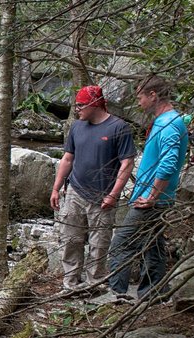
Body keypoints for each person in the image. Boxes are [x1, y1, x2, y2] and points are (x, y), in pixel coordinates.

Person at [108, 75, 189, 300]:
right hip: (153, 197)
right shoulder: (168, 121)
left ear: (153, 95)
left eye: (140, 97)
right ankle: (154, 293)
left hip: (151, 200)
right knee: (152, 245)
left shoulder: (170, 124)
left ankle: (117, 295)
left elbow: (169, 163)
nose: (138, 102)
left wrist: (152, 196)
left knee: (120, 245)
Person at [50, 85, 136, 293]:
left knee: (99, 245)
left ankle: (93, 285)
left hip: (102, 196)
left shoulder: (118, 128)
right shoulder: (77, 127)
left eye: (80, 105)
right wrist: (56, 188)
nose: (76, 109)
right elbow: (68, 158)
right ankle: (70, 284)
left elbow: (127, 164)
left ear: (94, 104)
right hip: (75, 191)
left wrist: (114, 195)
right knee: (70, 239)